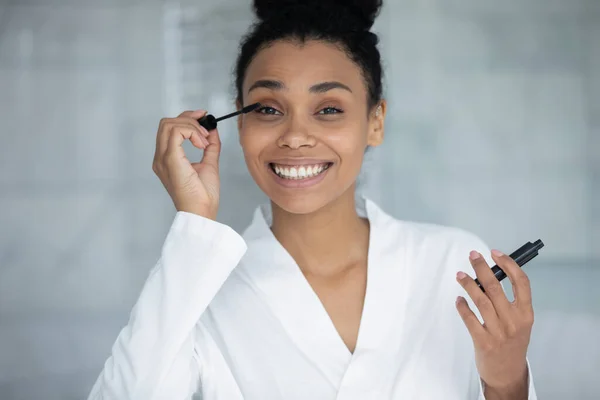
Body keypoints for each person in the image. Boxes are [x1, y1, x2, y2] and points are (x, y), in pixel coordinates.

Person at [88, 0, 537, 399]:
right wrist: (194, 221)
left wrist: (506, 382)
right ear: (239, 123)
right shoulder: (198, 289)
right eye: (267, 108)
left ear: (375, 121)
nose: (296, 136)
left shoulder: (454, 265)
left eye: (329, 109)